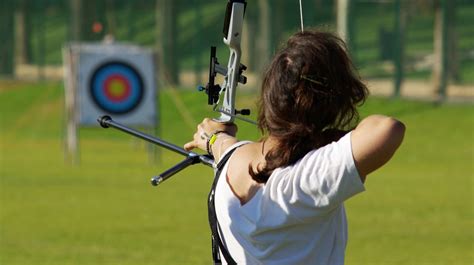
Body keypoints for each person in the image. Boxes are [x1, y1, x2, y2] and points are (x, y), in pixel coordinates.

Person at [184, 30, 405, 265]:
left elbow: (223, 145)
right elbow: (388, 129)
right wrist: (328, 138)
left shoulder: (231, 159)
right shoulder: (304, 181)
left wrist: (213, 139)